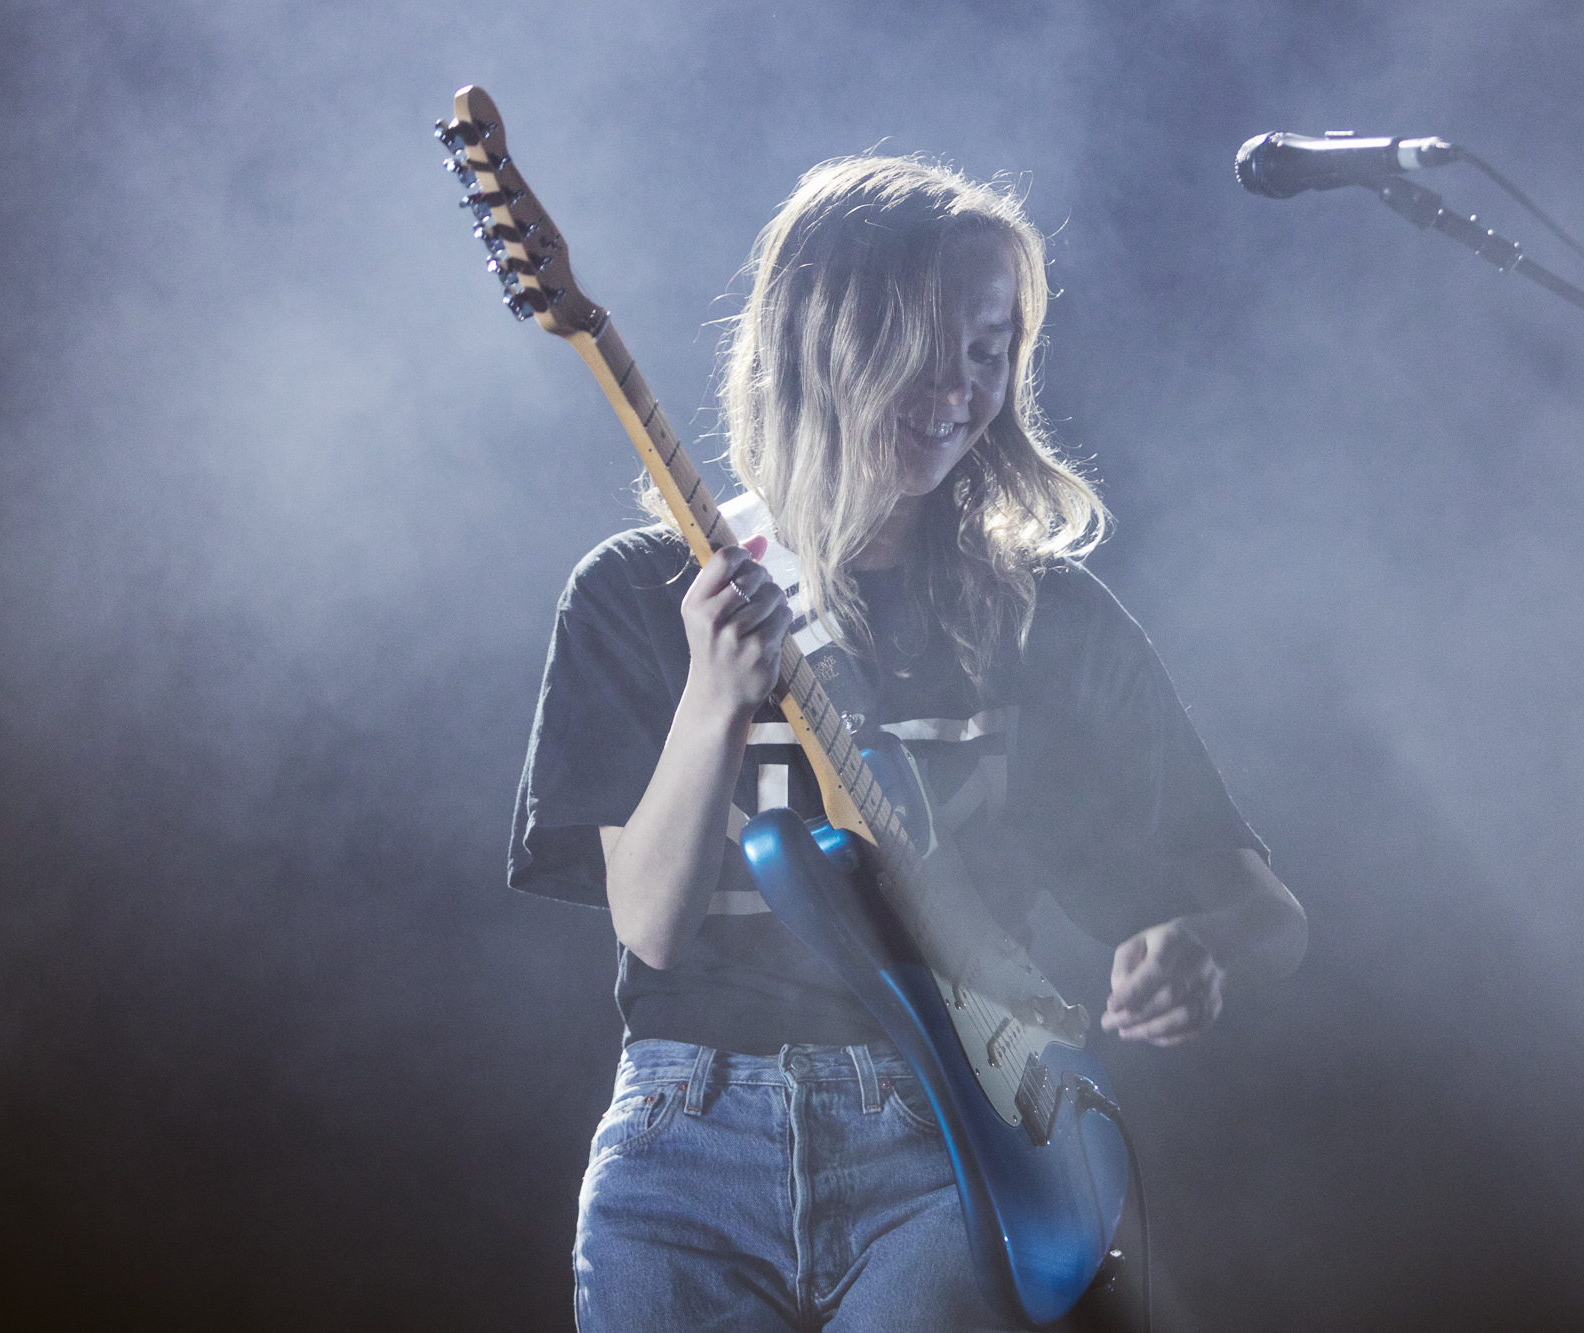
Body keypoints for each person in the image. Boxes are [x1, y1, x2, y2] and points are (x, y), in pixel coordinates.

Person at [510, 154, 1306, 1331]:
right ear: (818, 345)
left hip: (946, 1140)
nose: (960, 390)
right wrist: (712, 697)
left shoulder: (1048, 619)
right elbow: (653, 927)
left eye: (988, 350)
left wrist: (1202, 945)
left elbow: (1268, 913)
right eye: (923, 347)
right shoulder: (634, 593)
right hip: (686, 1145)